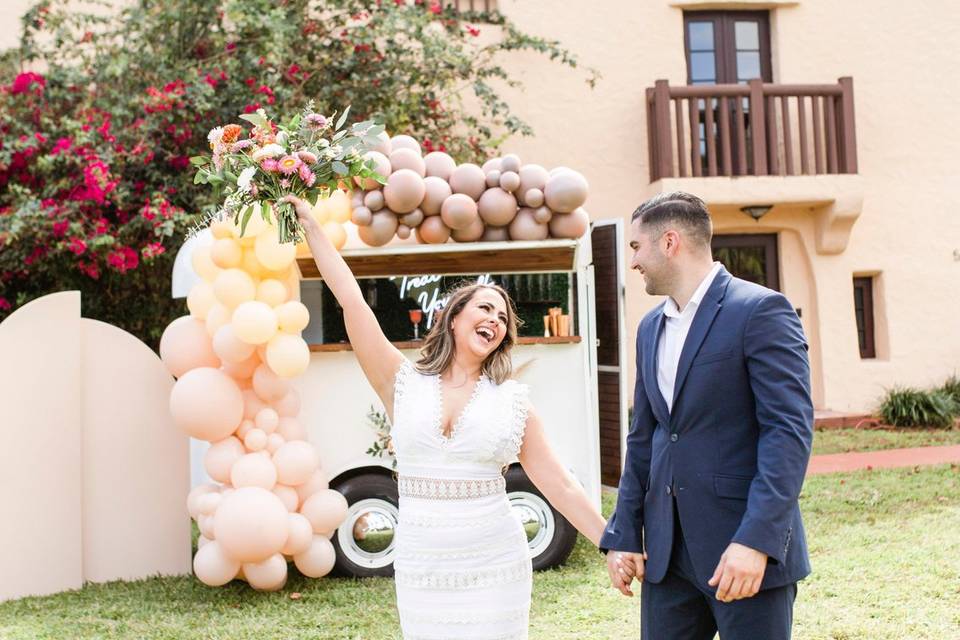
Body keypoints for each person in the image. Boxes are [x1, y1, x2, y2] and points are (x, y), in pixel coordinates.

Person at [282, 195, 607, 640]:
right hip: (424, 565)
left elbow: (562, 485)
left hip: (496, 563)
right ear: (454, 318)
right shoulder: (400, 382)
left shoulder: (514, 403)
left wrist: (612, 544)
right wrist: (312, 228)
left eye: (502, 317)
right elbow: (353, 303)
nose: (494, 318)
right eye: (484, 308)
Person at [601, 192, 813, 639]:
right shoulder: (649, 328)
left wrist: (756, 541)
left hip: (742, 552)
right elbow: (645, 436)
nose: (633, 261)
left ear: (670, 242)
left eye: (637, 247)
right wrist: (624, 532)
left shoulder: (760, 311)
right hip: (667, 557)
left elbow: (787, 434)